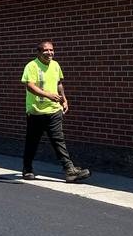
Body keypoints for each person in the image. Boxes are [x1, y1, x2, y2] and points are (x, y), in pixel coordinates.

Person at [21, 40, 90, 183]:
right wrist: (48, 95)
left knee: (58, 140)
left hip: (54, 110)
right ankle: (27, 169)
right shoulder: (32, 66)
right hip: (36, 112)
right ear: (39, 52)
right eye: (46, 50)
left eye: (51, 50)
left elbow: (59, 83)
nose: (50, 53)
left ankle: (69, 171)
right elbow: (29, 86)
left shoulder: (55, 65)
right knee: (32, 142)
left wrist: (64, 99)